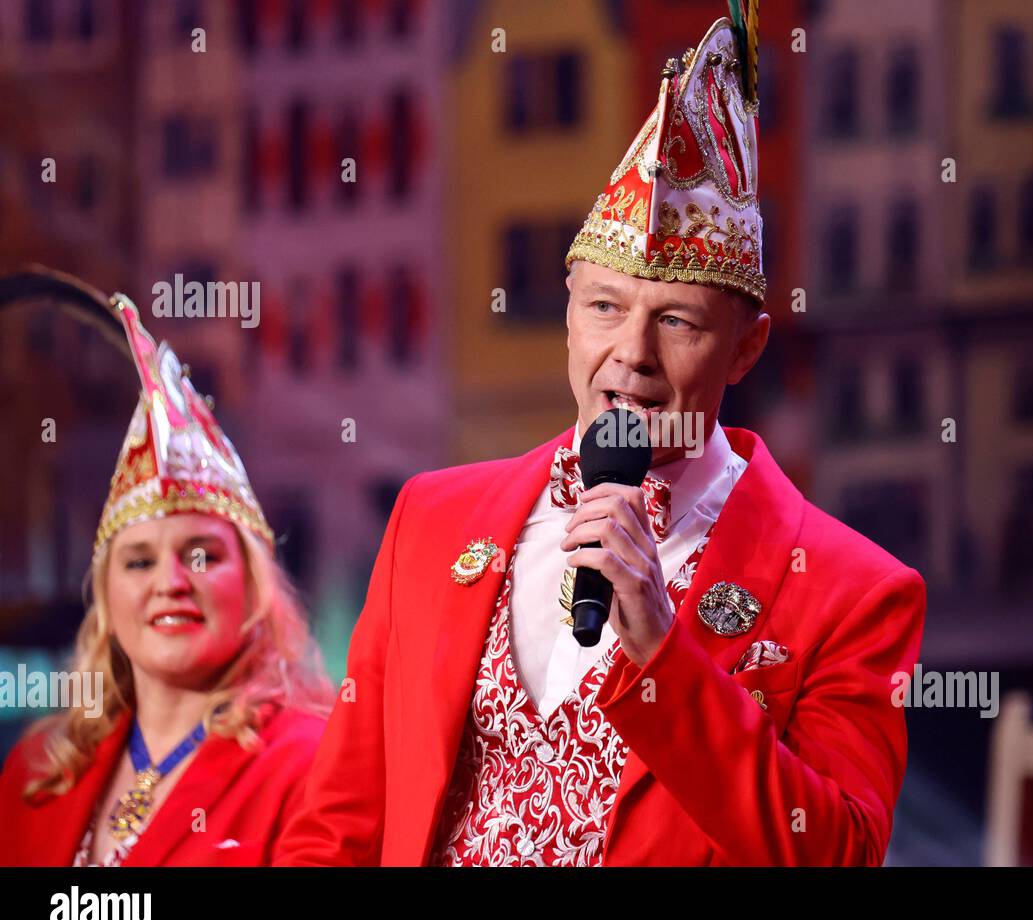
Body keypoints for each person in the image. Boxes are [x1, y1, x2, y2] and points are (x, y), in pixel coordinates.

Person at [277, 7, 926, 867]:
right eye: (605, 309)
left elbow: (839, 852)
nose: (632, 355)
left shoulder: (851, 594)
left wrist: (664, 650)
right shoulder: (433, 522)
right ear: (570, 314)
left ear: (747, 347)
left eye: (679, 323)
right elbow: (337, 831)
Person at [0, 295, 334, 866]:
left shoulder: (315, 763)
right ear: (105, 597)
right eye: (138, 562)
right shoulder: (37, 769)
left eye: (201, 555)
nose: (170, 582)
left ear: (254, 587)